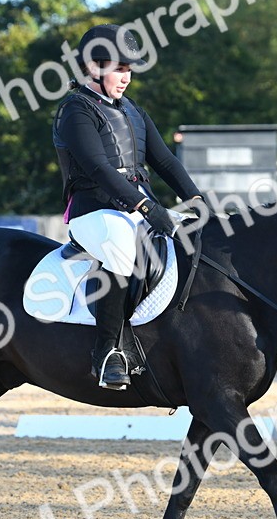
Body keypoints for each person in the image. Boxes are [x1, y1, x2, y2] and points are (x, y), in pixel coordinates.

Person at [53, 23, 205, 390]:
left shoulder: (133, 111)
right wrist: (148, 209)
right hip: (93, 211)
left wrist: (197, 201)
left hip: (137, 208)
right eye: (119, 69)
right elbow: (98, 168)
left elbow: (165, 161)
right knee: (122, 247)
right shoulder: (75, 110)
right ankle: (108, 352)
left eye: (129, 70)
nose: (126, 78)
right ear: (94, 68)